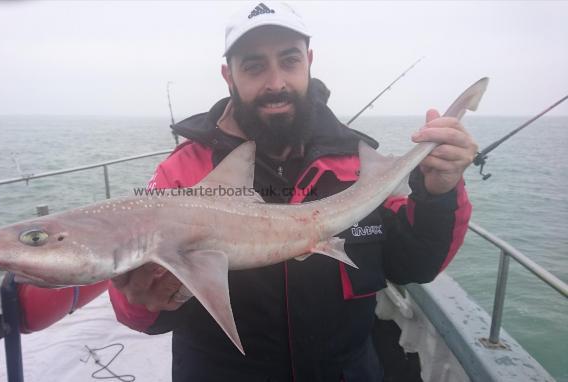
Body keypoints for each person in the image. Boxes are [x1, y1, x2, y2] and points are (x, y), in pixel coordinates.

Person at [109, 2, 477, 381]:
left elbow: (415, 264)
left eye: (289, 61)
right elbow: (137, 316)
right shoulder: (183, 173)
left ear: (309, 61)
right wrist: (143, 298)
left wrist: (440, 191)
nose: (276, 83)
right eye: (254, 66)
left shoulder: (359, 163)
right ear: (228, 76)